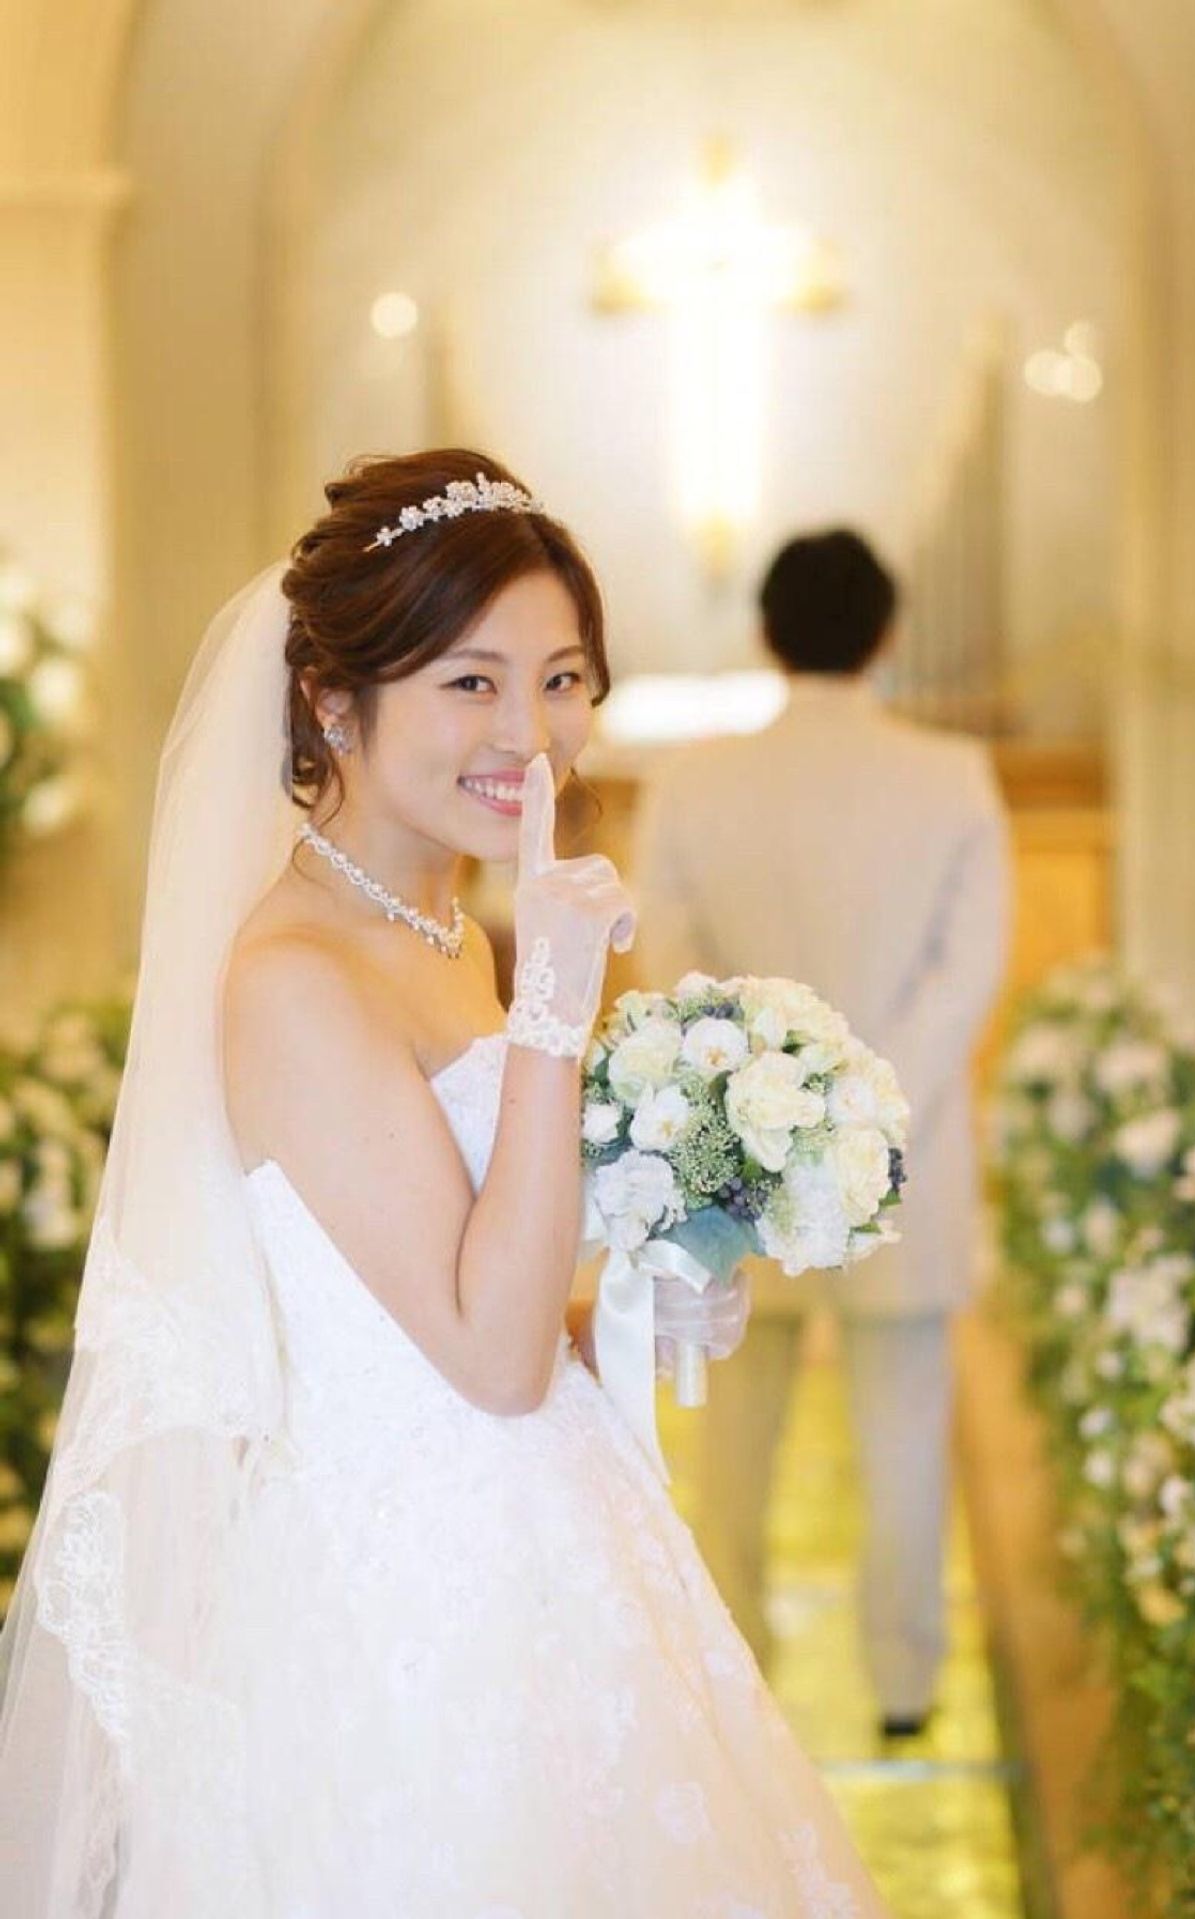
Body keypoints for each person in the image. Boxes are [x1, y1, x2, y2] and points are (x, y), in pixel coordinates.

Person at [0, 452, 893, 1916]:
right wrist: (553, 1006)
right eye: (470, 682)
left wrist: (629, 1310)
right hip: (407, 1606)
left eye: (562, 679)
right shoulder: (293, 976)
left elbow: (467, 1306)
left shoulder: (444, 931)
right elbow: (484, 1354)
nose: (529, 735)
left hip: (546, 1538)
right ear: (331, 703)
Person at [632, 527, 1011, 1738]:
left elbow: (672, 959)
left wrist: (769, 1103)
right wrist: (866, 1113)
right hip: (906, 1159)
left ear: (763, 631)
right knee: (904, 1437)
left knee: (732, 1441)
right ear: (887, 632)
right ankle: (902, 1681)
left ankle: (734, 1675)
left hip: (740, 1161)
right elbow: (965, 972)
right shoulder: (951, 775)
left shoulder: (694, 781)